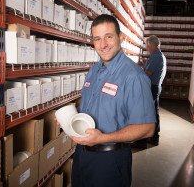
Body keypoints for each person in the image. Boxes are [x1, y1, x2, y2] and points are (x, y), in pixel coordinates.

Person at [68, 14, 156, 187]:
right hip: (82, 157)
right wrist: (70, 119)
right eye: (97, 39)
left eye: (108, 37)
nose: (103, 45)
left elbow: (147, 128)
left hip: (110, 161)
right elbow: (95, 110)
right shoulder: (94, 71)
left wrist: (103, 138)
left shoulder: (133, 77)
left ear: (120, 38)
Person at [143, 35, 167, 145]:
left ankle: (142, 140)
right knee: (154, 112)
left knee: (146, 113)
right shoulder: (160, 56)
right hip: (156, 87)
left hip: (152, 88)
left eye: (147, 46)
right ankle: (154, 137)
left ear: (153, 45)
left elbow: (147, 74)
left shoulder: (155, 56)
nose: (147, 49)